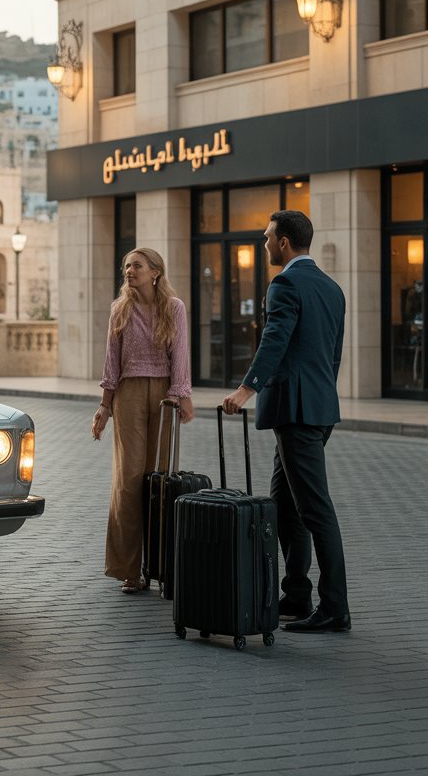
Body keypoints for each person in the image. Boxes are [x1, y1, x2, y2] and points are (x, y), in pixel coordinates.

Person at [222, 210, 350, 633]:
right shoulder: (332, 288)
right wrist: (320, 396)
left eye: (267, 237)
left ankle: (335, 608)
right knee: (286, 505)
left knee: (315, 509)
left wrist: (246, 390)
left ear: (283, 242)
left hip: (296, 412)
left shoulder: (285, 284)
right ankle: (296, 595)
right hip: (317, 408)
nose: (264, 245)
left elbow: (274, 340)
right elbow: (333, 355)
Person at [92, 248, 193, 593]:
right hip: (129, 394)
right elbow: (111, 361)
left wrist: (181, 394)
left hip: (165, 394)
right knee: (129, 481)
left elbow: (180, 354)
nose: (129, 271)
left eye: (136, 265)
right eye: (126, 266)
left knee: (159, 479)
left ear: (155, 272)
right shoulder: (119, 309)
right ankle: (129, 570)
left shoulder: (174, 308)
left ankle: (161, 566)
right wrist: (104, 406)